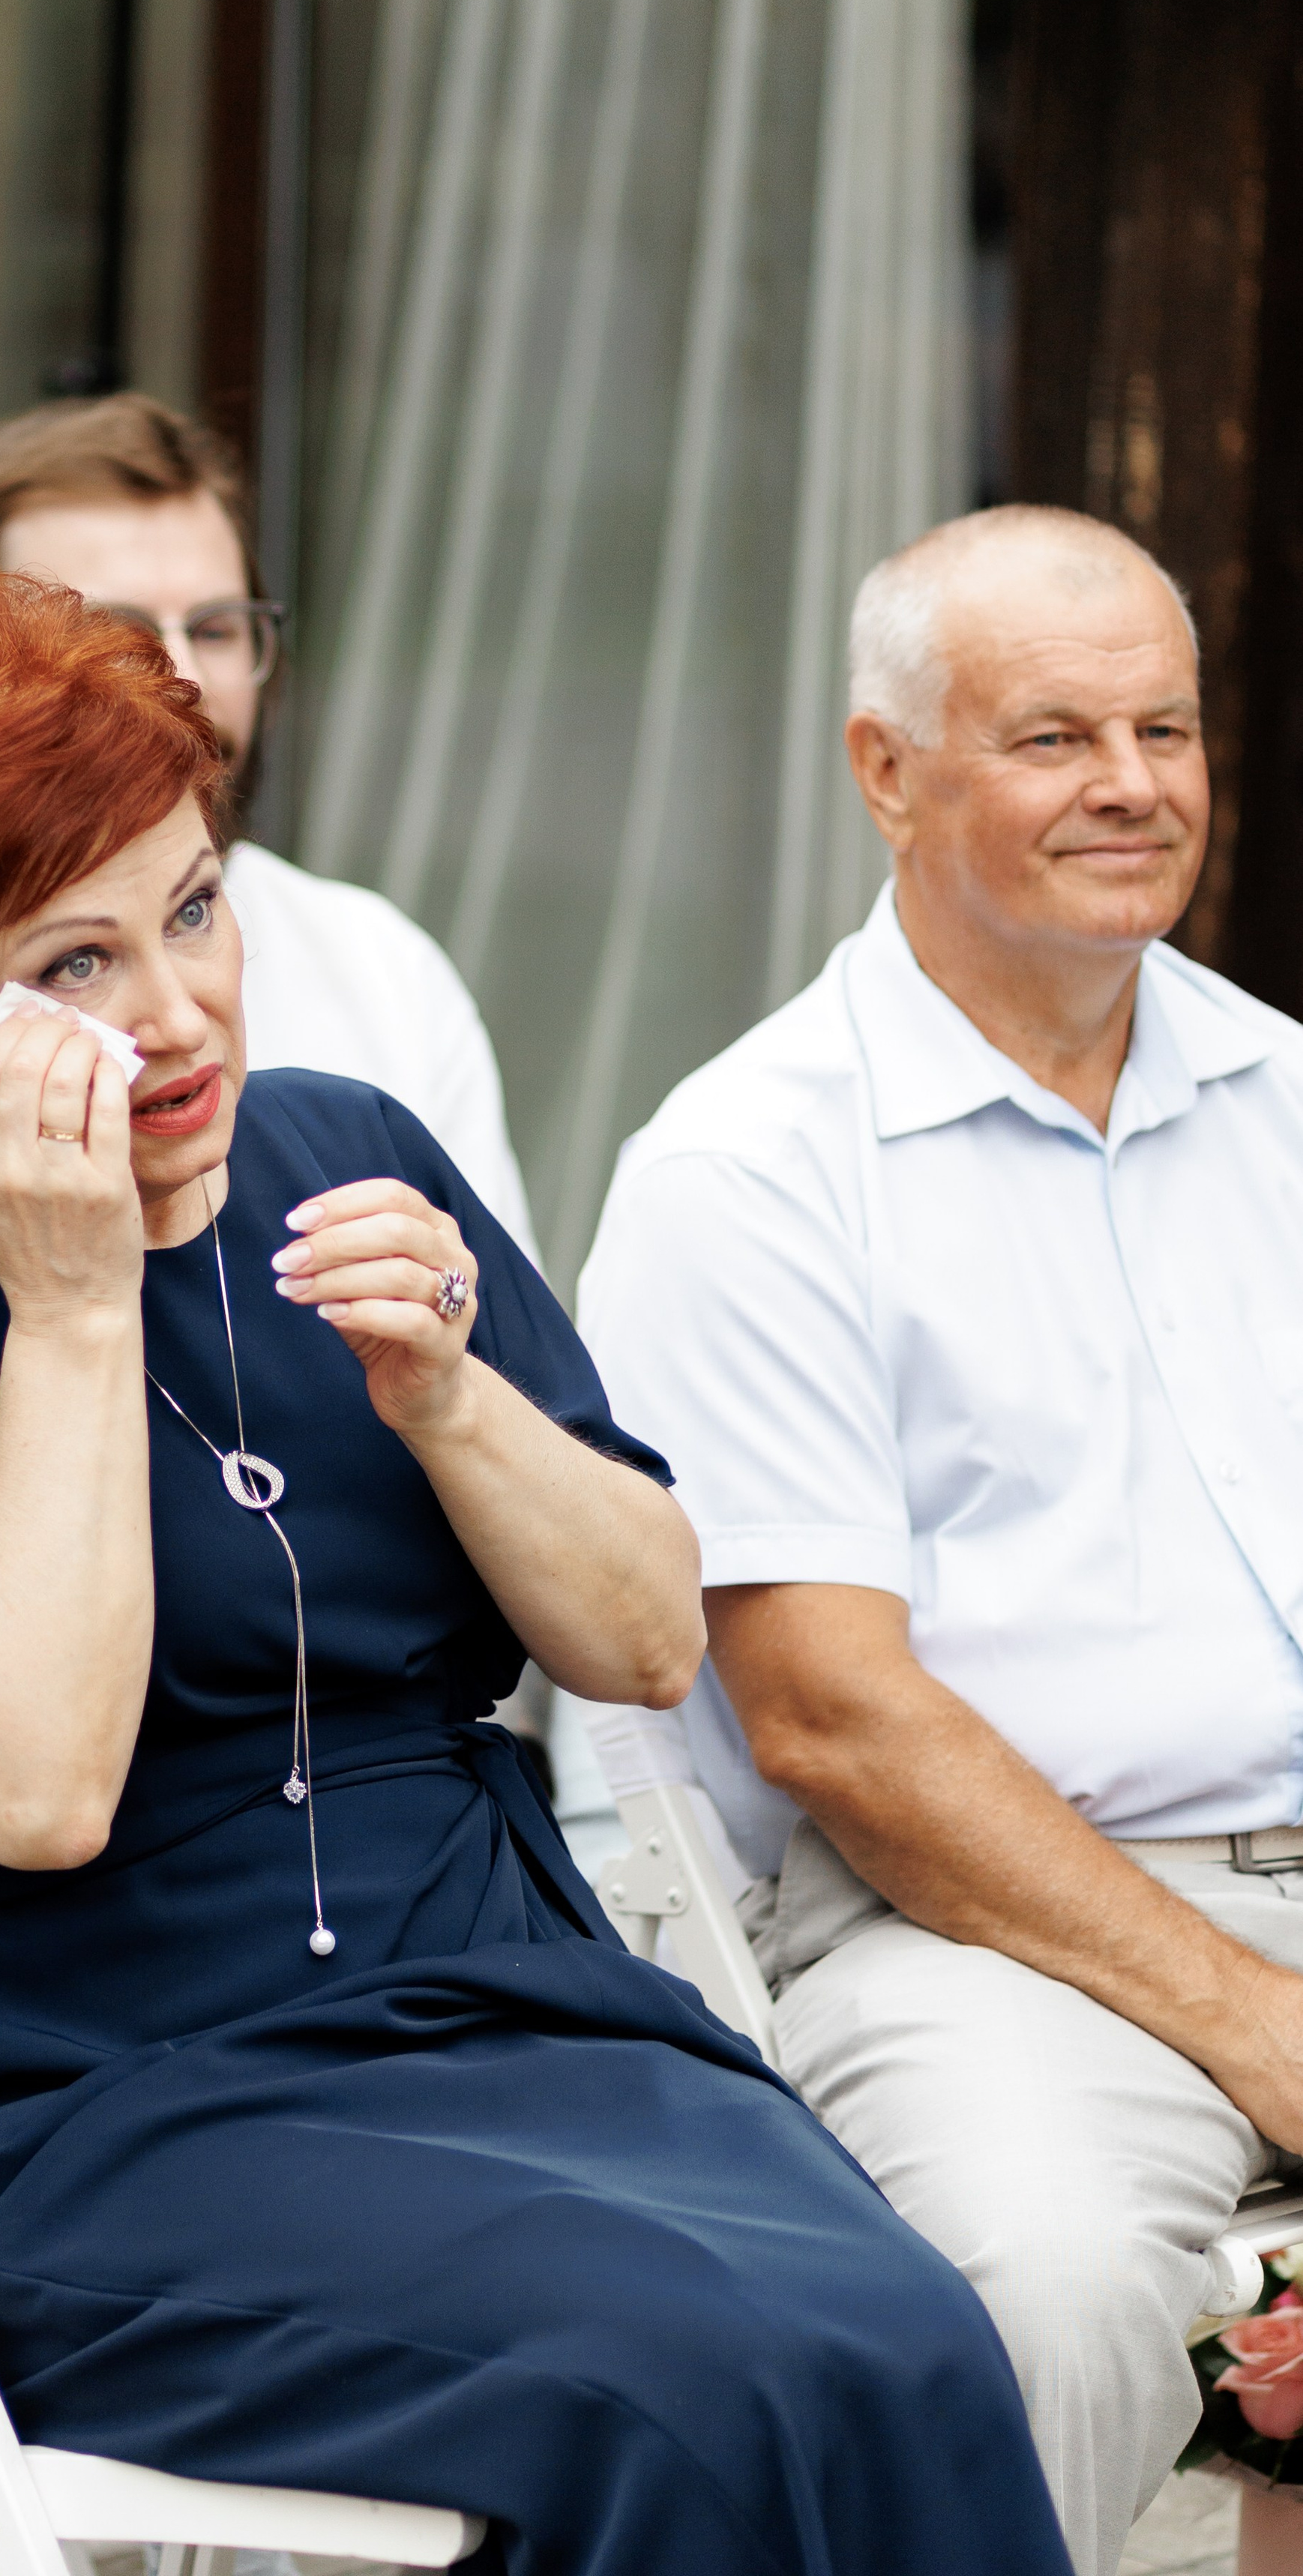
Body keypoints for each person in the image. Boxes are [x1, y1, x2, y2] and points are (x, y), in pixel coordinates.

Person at [0, 568, 1071, 2576]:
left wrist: (451, 1399)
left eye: (195, 908)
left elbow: (651, 1644)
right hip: (126, 2114)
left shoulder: (342, 1147)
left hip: (522, 2015)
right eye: (76, 963)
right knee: (683, 2392)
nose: (179, 1010)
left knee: (912, 2342)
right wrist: (71, 1313)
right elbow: (35, 1797)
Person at [578, 503, 1303, 2576]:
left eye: (1163, 729)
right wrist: (1255, 2024)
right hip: (973, 1925)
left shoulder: (1290, 1108)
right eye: (1055, 738)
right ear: (884, 770)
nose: (1136, 788)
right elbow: (836, 1725)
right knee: (1049, 2291)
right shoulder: (755, 1170)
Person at [0, 391, 535, 1279]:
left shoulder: (384, 973)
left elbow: (513, 1360)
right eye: (113, 639)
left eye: (216, 627)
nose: (186, 683)